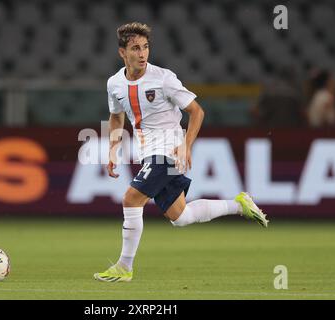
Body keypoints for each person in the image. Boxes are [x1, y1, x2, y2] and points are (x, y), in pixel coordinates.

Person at [94, 22, 268, 283]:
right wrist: (112, 150)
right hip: (146, 151)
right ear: (122, 53)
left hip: (168, 150)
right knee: (180, 216)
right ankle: (239, 205)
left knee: (131, 200)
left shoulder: (163, 78)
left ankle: (124, 267)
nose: (142, 53)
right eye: (135, 48)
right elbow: (116, 117)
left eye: (145, 47)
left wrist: (186, 144)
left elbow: (197, 111)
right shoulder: (114, 84)